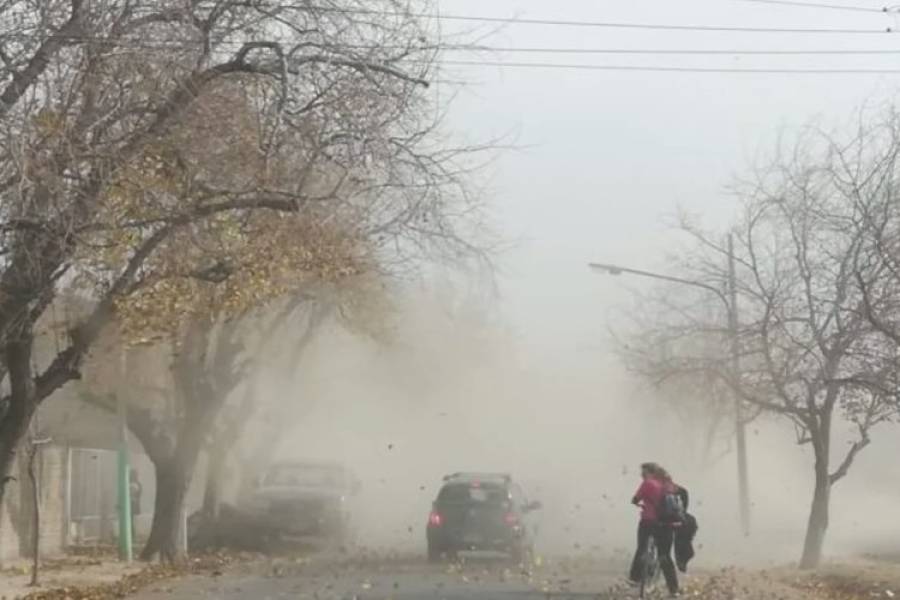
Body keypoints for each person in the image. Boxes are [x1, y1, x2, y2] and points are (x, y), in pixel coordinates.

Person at [629, 462, 680, 597]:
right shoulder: (669, 485)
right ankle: (673, 588)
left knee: (641, 548)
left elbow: (635, 498)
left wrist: (635, 501)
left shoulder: (647, 483)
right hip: (666, 525)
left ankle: (634, 578)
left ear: (650, 472)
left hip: (649, 522)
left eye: (644, 472)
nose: (642, 475)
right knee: (665, 556)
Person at [129, 468, 142, 541]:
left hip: (132, 506)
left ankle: (132, 536)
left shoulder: (131, 484)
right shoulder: (139, 484)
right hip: (135, 506)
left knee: (131, 521)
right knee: (133, 521)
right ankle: (133, 536)